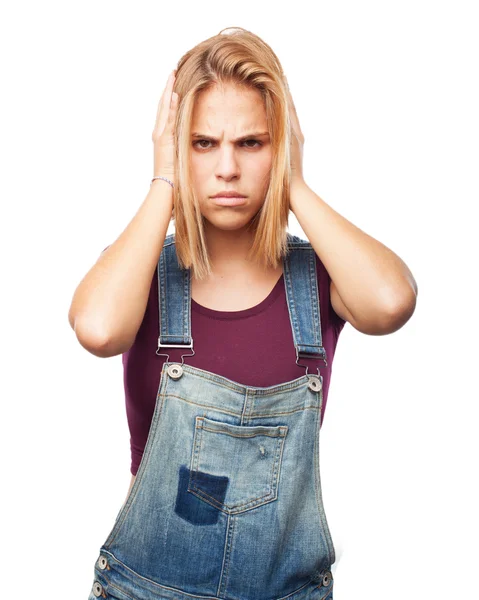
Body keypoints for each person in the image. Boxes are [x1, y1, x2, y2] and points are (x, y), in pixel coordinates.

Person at [69, 27, 417, 600]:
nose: (227, 168)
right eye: (203, 143)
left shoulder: (319, 278)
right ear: (179, 149)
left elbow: (392, 302)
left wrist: (294, 181)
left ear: (280, 146)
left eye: (252, 143)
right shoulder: (140, 271)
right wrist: (164, 178)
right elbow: (99, 329)